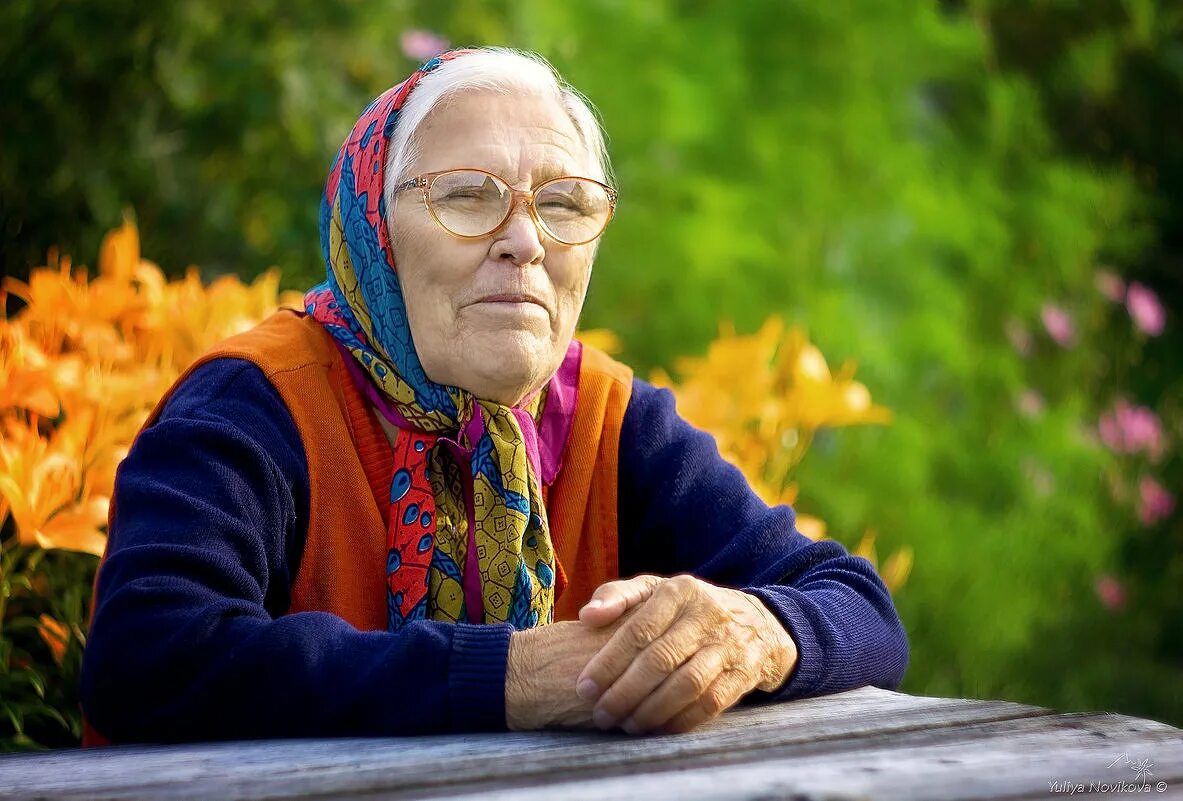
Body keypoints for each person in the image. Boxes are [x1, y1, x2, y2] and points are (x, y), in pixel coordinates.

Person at [79, 47, 907, 744]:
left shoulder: (610, 420)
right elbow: (148, 656)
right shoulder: (257, 404)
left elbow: (860, 608)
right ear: (373, 226)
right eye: (468, 196)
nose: (524, 242)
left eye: (562, 204)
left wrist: (751, 634)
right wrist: (510, 674)